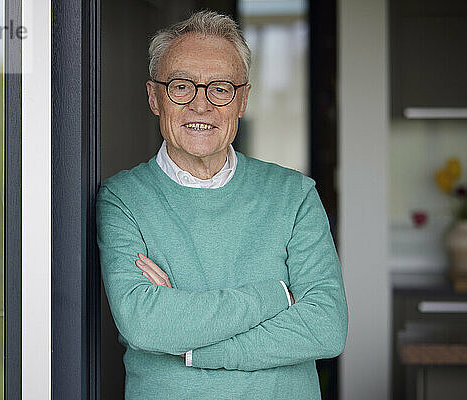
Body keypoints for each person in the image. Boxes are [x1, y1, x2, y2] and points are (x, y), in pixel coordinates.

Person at [96, 10, 348, 400]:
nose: (202, 105)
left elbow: (326, 328)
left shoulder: (294, 194)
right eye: (181, 87)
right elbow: (145, 325)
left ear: (243, 99)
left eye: (221, 88)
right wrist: (279, 296)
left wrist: (191, 348)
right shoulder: (123, 198)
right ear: (154, 97)